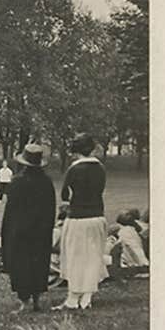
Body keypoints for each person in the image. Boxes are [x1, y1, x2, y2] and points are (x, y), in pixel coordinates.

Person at [0, 143, 56, 312]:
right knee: (39, 262)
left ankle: (24, 301)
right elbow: (51, 207)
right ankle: (37, 299)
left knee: (21, 264)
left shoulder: (17, 182)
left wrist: (7, 231)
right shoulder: (47, 182)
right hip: (41, 230)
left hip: (20, 231)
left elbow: (11, 210)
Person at [54, 133, 107, 311]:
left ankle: (73, 297)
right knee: (92, 257)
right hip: (97, 217)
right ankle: (87, 297)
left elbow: (65, 196)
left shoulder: (73, 169)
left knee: (75, 258)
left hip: (78, 218)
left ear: (75, 151)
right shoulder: (100, 168)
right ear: (91, 149)